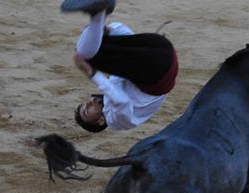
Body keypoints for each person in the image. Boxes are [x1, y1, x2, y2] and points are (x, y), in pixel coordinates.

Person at [61, 0, 179, 133]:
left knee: (101, 42)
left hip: (161, 51)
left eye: (85, 103)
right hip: (158, 70)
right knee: (87, 56)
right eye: (87, 111)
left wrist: (106, 32)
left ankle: (99, 17)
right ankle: (98, 16)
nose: (89, 103)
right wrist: (91, 72)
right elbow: (121, 101)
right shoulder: (115, 120)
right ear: (100, 121)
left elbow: (128, 41)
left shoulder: (113, 90)